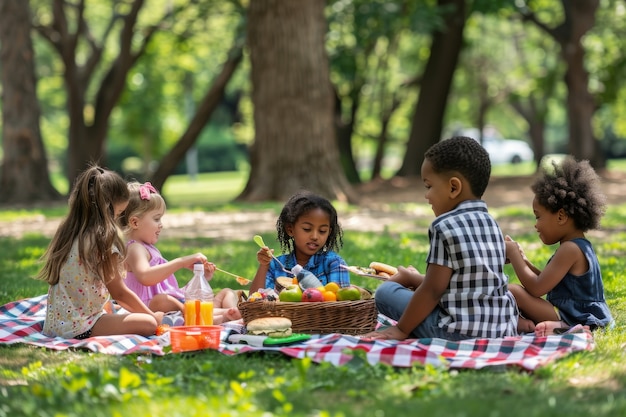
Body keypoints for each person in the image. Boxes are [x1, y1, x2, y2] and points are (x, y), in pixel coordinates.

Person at [362, 136, 518, 341]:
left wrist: (401, 329)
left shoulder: (443, 226)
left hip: (453, 332)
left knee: (385, 292)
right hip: (500, 329)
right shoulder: (492, 225)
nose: (426, 196)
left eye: (428, 186)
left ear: (454, 187)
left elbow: (433, 290)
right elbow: (464, 283)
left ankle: (403, 298)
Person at [38, 165, 163, 339]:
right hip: (81, 327)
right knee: (147, 323)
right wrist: (152, 316)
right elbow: (120, 293)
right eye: (118, 213)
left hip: (54, 325)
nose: (118, 220)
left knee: (116, 310)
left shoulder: (69, 231)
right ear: (107, 209)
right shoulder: (102, 240)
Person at [504, 157, 613, 336]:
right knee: (514, 292)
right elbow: (549, 282)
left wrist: (514, 255)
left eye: (538, 217)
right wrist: (524, 260)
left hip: (576, 317)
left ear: (561, 216)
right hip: (573, 313)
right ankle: (529, 325)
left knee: (514, 291)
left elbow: (537, 288)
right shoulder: (577, 246)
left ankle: (564, 328)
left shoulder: (570, 249)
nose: (535, 225)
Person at [119, 181, 240, 324]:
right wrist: (181, 262)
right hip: (150, 308)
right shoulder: (135, 248)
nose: (161, 224)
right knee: (162, 300)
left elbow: (170, 290)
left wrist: (201, 278)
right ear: (135, 222)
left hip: (175, 305)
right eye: (156, 218)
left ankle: (227, 314)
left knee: (226, 292)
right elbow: (145, 277)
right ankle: (223, 316)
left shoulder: (147, 248)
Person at [250, 191, 350, 293]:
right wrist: (264, 265)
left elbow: (342, 301)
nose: (315, 237)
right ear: (290, 229)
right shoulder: (276, 266)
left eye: (322, 231)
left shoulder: (334, 263)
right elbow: (254, 299)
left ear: (329, 232)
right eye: (307, 229)